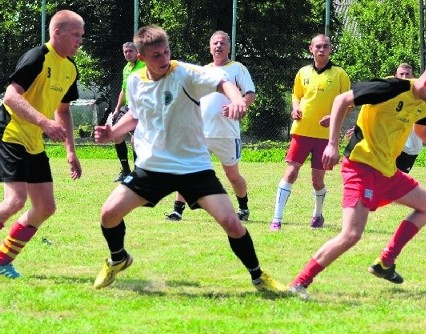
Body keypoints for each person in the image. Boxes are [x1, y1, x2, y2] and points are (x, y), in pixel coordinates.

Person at [92, 25, 285, 293]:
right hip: (152, 167)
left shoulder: (184, 72)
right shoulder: (136, 81)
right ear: (142, 56)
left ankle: (258, 276)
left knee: (231, 222)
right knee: (108, 214)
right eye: (156, 55)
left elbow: (222, 82)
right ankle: (118, 259)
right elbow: (135, 116)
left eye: (166, 52)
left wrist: (237, 99)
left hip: (193, 167)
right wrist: (112, 132)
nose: (164, 59)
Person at [288, 59, 426, 299]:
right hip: (360, 167)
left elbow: (422, 129)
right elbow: (342, 100)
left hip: (387, 172)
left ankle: (386, 262)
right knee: (351, 234)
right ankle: (299, 283)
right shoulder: (390, 88)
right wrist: (332, 144)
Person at [0, 10, 84, 279]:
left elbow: (63, 111)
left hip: (33, 141)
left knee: (45, 207)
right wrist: (43, 122)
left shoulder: (70, 69)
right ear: (56, 32)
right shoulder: (38, 57)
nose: (80, 41)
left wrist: (70, 150)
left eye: (82, 35)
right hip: (11, 134)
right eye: (75, 35)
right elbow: (11, 96)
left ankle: (2, 261)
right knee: (15, 200)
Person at [165, 31, 255, 222]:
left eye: (222, 43)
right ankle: (177, 210)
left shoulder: (237, 69)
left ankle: (243, 208)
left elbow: (250, 94)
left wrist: (237, 105)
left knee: (232, 175)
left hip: (226, 133)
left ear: (229, 47)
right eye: (215, 43)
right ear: (210, 47)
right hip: (200, 131)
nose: (218, 46)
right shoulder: (203, 70)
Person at [270, 34, 351, 231]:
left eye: (325, 46)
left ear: (331, 49)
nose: (321, 50)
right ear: (311, 49)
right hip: (301, 131)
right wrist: (295, 107)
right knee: (290, 172)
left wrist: (334, 118)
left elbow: (348, 103)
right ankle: (276, 219)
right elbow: (296, 95)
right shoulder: (303, 72)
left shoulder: (340, 74)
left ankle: (317, 214)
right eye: (318, 46)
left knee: (317, 180)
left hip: (325, 136)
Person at [111, 42, 145, 182]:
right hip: (128, 108)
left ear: (137, 52)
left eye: (130, 51)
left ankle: (138, 173)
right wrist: (117, 108)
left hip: (142, 108)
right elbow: (124, 90)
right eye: (125, 51)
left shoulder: (144, 64)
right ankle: (126, 171)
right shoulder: (126, 68)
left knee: (135, 140)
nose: (127, 53)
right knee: (117, 135)